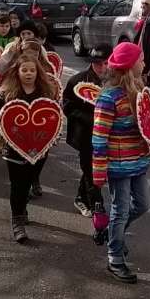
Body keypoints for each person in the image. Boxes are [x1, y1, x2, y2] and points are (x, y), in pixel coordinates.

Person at [0, 55, 58, 243]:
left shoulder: (45, 93)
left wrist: (53, 136)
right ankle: (17, 221)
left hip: (39, 150)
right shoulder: (7, 93)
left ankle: (22, 208)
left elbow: (54, 116)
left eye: (32, 70)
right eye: (24, 70)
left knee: (29, 182)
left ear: (38, 73)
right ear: (17, 72)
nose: (28, 73)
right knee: (17, 185)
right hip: (13, 148)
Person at [92, 42, 150, 284]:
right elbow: (99, 137)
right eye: (141, 60)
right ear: (130, 65)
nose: (144, 63)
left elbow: (147, 125)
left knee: (143, 205)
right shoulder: (109, 98)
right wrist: (98, 171)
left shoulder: (139, 90)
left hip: (137, 161)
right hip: (118, 164)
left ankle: (109, 234)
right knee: (121, 209)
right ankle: (115, 257)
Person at [63, 43, 112, 217]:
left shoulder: (114, 82)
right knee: (90, 170)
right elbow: (67, 107)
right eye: (97, 63)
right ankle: (96, 206)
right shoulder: (77, 81)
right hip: (84, 135)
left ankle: (80, 198)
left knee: (94, 170)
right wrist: (88, 119)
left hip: (106, 137)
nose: (102, 67)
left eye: (106, 63)